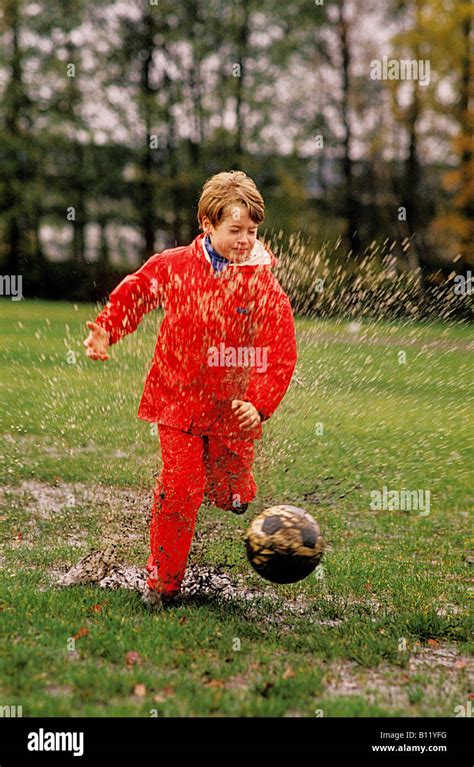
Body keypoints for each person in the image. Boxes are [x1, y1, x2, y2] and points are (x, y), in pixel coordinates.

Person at [83, 170, 297, 608]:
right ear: (208, 225)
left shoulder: (261, 282)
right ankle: (162, 585)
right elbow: (136, 294)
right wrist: (107, 329)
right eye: (234, 230)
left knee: (229, 494)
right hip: (176, 402)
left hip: (231, 413)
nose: (244, 240)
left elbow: (280, 348)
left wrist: (259, 404)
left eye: (252, 231)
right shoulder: (175, 266)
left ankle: (236, 490)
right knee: (180, 490)